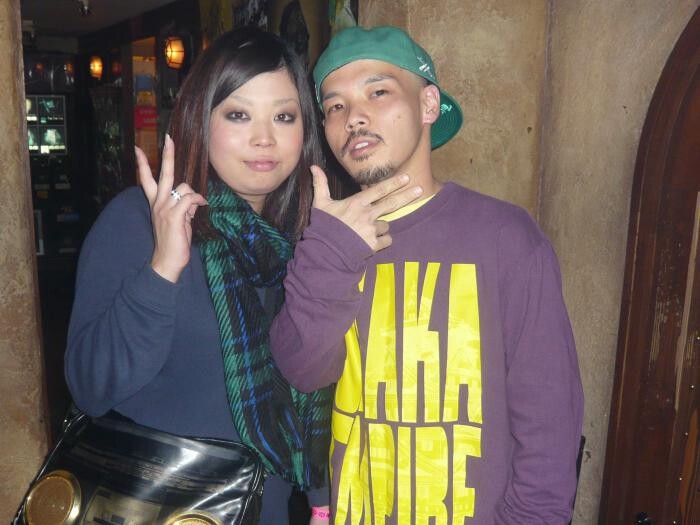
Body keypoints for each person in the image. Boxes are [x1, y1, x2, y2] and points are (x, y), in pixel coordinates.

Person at [270, 26, 584, 523]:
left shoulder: (505, 237)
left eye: (378, 92)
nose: (354, 117)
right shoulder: (326, 242)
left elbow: (548, 426)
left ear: (428, 104)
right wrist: (331, 253)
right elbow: (301, 371)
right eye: (335, 106)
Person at [65, 27, 338, 524]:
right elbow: (90, 387)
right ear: (200, 120)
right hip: (153, 506)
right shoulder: (140, 218)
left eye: (283, 116)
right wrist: (162, 269)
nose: (264, 137)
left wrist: (322, 497)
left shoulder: (304, 238)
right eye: (238, 114)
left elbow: (315, 384)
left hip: (263, 509)